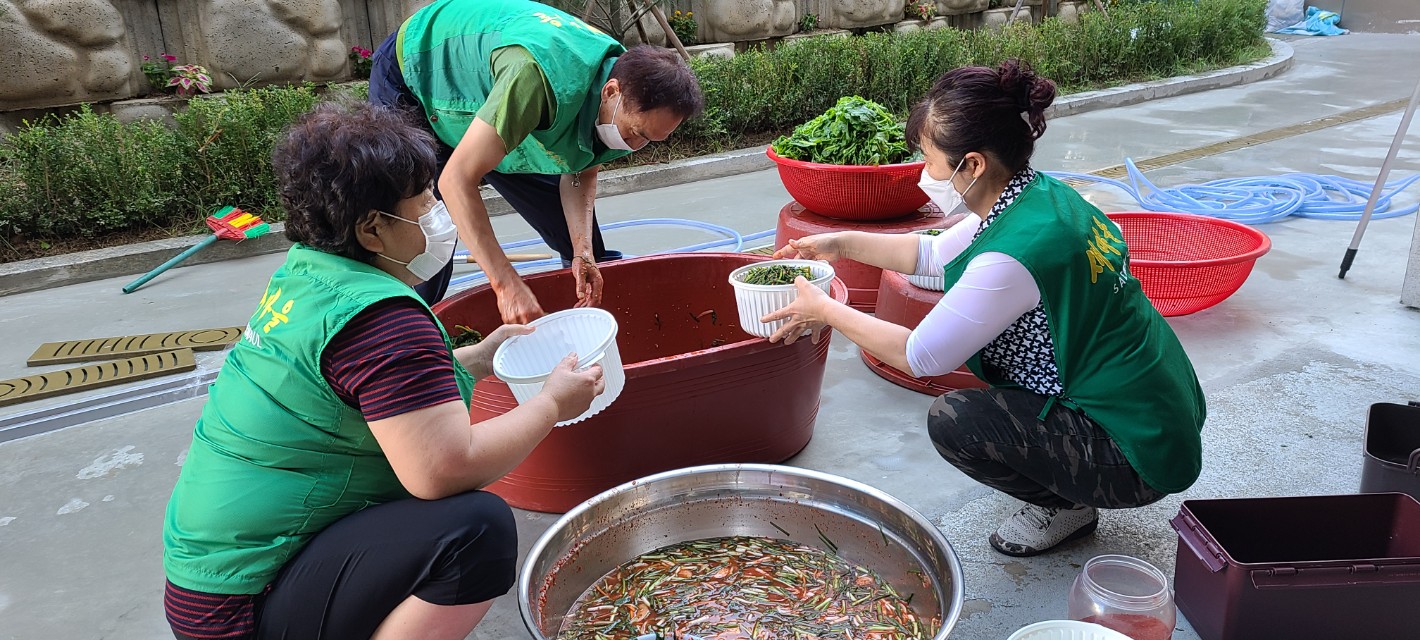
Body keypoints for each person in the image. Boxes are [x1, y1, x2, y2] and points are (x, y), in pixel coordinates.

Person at [161, 102, 606, 640]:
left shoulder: (309, 277)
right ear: (373, 230)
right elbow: (445, 469)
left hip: (208, 582)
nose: (437, 211)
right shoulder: (383, 319)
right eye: (424, 200)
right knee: (475, 530)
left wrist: (482, 359)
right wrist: (552, 403)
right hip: (244, 608)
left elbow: (360, 395)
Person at [764, 60, 1206, 557]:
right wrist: (839, 244)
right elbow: (930, 254)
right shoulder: (1039, 196)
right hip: (1161, 403)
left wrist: (824, 310)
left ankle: (1067, 507)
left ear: (972, 164)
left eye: (930, 160)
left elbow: (920, 356)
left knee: (957, 420)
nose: (925, 174)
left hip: (1133, 447)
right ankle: (1066, 475)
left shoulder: (1012, 256)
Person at [369, 0, 704, 322]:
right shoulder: (536, 77)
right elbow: (456, 181)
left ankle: (596, 326)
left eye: (648, 139)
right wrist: (506, 284)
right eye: (634, 133)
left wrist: (582, 250)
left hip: (497, 103)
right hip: (417, 69)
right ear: (610, 92)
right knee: (429, 240)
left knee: (586, 252)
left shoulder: (620, 99)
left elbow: (579, 170)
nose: (633, 145)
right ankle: (398, 340)